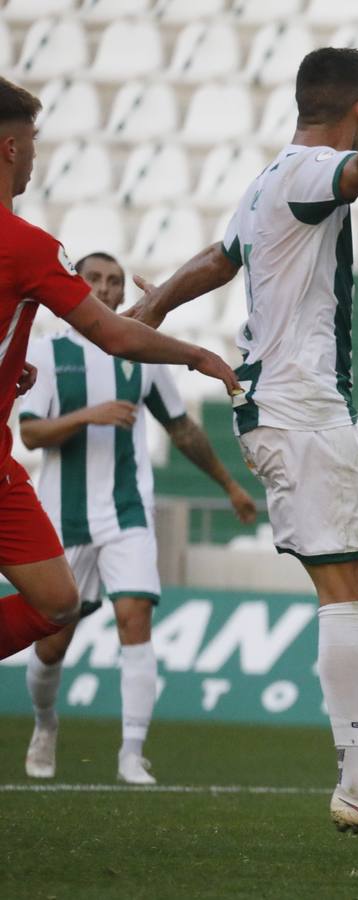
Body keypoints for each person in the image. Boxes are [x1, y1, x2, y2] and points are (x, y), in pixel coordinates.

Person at [125, 49, 358, 839]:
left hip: (321, 409)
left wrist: (152, 304)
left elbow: (219, 259)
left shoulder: (266, 180)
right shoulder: (313, 170)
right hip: (297, 405)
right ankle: (357, 781)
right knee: (347, 587)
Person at [0, 77, 239, 663]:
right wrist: (196, 353)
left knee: (60, 602)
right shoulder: (26, 244)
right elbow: (110, 331)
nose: (35, 154)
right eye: (32, 141)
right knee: (56, 603)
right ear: (10, 148)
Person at [19, 252, 259, 785]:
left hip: (128, 512)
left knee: (135, 619)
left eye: (113, 281)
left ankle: (131, 753)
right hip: (65, 516)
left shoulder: (139, 356)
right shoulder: (47, 352)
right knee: (52, 641)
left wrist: (230, 486)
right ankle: (44, 722)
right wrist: (89, 415)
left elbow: (182, 430)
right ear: (75, 287)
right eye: (95, 279)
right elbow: (30, 434)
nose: (105, 289)